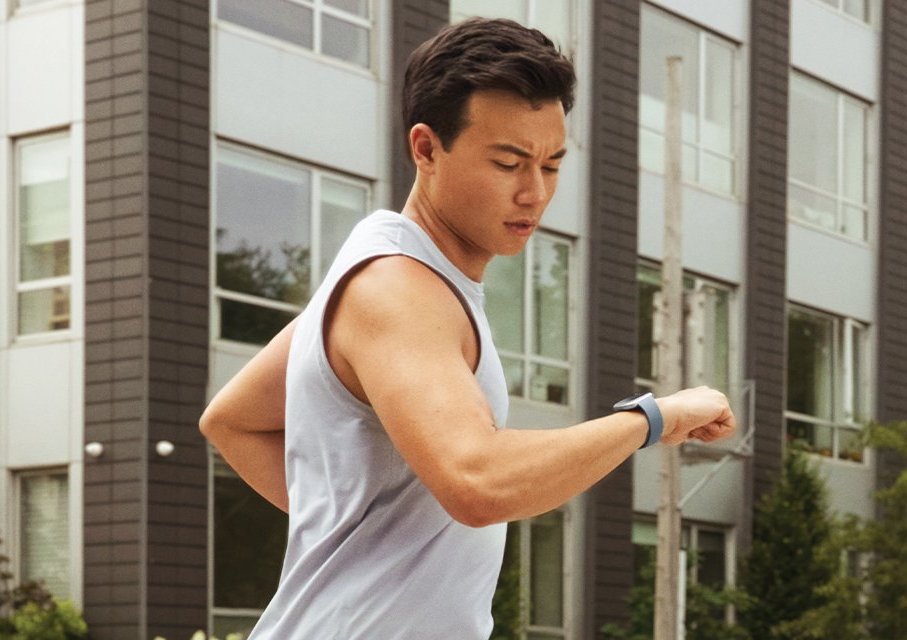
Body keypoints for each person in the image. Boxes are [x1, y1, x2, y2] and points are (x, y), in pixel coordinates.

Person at [199, 17, 736, 639]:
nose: (534, 193)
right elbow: (479, 480)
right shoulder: (397, 292)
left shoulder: (378, 276)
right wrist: (652, 418)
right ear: (425, 148)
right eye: (509, 163)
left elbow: (232, 420)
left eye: (552, 165)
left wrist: (372, 534)